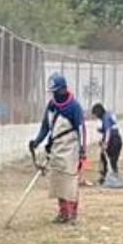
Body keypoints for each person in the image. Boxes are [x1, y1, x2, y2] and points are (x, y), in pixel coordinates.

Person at [29, 73, 86, 223]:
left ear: (63, 89)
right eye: (52, 92)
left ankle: (72, 214)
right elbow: (46, 127)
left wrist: (82, 149)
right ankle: (63, 213)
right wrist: (37, 141)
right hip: (56, 147)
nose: (54, 94)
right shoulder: (52, 106)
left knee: (70, 180)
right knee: (58, 181)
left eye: (56, 91)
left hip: (70, 147)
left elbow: (81, 129)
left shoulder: (74, 107)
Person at [90, 102, 123, 183]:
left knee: (106, 159)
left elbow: (108, 131)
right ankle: (112, 176)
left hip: (113, 141)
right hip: (117, 140)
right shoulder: (109, 115)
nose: (96, 117)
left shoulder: (105, 117)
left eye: (95, 114)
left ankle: (106, 177)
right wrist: (101, 132)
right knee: (111, 160)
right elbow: (109, 129)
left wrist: (105, 143)